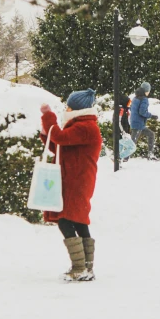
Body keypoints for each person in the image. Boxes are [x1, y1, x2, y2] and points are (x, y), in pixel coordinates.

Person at [40, 88, 102, 281]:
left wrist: (48, 117)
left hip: (77, 180)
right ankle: (86, 268)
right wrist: (46, 134)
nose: (65, 108)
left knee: (66, 219)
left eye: (68, 105)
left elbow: (60, 139)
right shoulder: (81, 125)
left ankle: (79, 267)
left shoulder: (85, 127)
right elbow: (60, 145)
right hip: (77, 178)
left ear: (76, 108)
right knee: (78, 219)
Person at [129, 81, 159, 160]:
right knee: (132, 143)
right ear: (147, 91)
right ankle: (122, 158)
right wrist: (151, 116)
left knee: (151, 134)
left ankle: (150, 154)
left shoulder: (135, 98)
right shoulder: (144, 99)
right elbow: (142, 112)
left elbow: (131, 108)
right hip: (138, 124)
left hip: (135, 123)